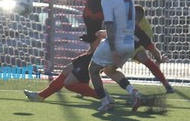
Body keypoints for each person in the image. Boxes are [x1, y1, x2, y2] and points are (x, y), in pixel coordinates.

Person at [24, 27, 168, 103]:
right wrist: (160, 58)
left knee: (69, 82)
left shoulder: (121, 23)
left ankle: (102, 96)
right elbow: (153, 51)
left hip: (98, 56)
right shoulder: (133, 30)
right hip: (98, 55)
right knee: (68, 70)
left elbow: (104, 36)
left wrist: (100, 35)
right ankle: (41, 96)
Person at [88, 0, 142, 112]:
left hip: (116, 44)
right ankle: (133, 92)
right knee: (110, 70)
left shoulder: (107, 0)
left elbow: (110, 25)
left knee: (93, 70)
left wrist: (113, 50)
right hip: (129, 44)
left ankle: (105, 102)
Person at [133, 5, 175, 93]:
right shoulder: (140, 33)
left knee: (106, 68)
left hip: (126, 47)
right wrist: (159, 59)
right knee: (108, 69)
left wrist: (159, 60)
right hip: (120, 46)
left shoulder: (142, 34)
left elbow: (149, 42)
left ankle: (166, 84)